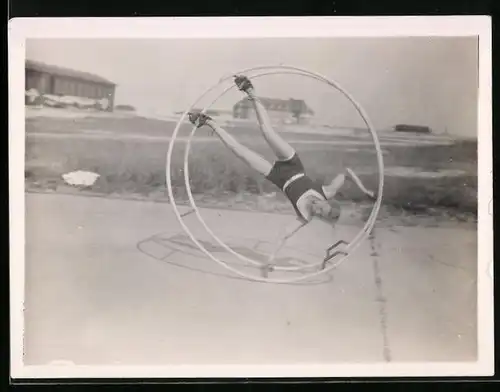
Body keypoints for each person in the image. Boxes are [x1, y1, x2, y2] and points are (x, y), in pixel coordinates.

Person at [188, 75, 375, 264]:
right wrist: (365, 190)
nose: (317, 210)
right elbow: (346, 173)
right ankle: (250, 90)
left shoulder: (304, 217)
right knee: (267, 131)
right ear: (327, 203)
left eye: (321, 215)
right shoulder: (327, 192)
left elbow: (283, 235)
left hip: (278, 178)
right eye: (322, 208)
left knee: (240, 152)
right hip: (292, 163)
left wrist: (271, 258)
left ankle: (208, 122)